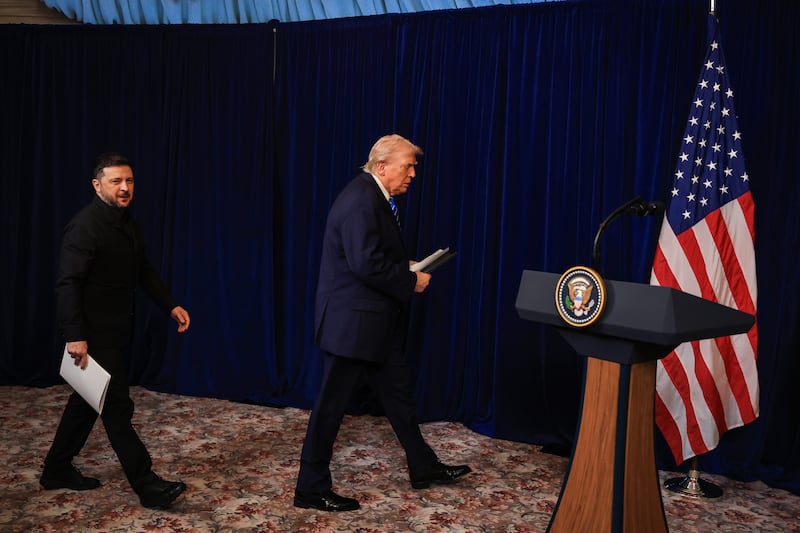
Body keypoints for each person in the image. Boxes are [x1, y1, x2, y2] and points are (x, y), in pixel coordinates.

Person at [294, 134, 471, 512]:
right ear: (381, 166)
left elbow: (368, 256)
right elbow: (364, 264)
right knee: (330, 407)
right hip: (352, 325)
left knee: (399, 397)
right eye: (407, 166)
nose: (412, 174)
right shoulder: (361, 200)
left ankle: (423, 466)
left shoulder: (372, 196)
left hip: (371, 322)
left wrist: (402, 266)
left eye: (413, 167)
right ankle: (309, 487)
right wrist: (411, 280)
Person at [40, 152, 191, 510]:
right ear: (97, 185)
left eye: (130, 181)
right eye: (116, 181)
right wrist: (75, 335)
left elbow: (144, 272)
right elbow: (68, 284)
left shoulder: (127, 223)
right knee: (117, 408)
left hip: (115, 331)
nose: (125, 188)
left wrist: (170, 304)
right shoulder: (85, 226)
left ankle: (56, 469)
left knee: (86, 402)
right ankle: (147, 484)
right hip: (92, 336)